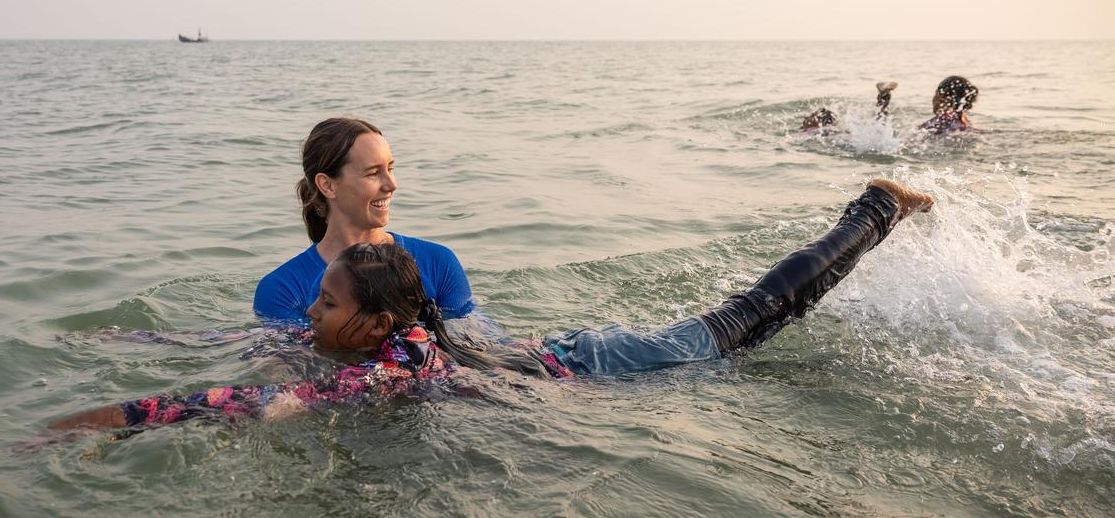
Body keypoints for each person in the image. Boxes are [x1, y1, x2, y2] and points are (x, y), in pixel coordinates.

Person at [50, 178, 934, 433]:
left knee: (747, 321)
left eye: (323, 305)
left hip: (608, 366)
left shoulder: (382, 376)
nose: (307, 317)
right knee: (744, 320)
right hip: (556, 356)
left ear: (377, 326)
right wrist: (136, 338)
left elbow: (245, 404)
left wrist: (100, 421)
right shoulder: (383, 339)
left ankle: (873, 212)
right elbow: (256, 359)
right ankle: (874, 214)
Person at [253, 118, 476, 322]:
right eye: (373, 173)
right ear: (327, 185)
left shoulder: (437, 262)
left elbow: (476, 340)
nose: (392, 184)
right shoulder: (282, 289)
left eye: (390, 168)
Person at [799, 81, 898, 134]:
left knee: (880, 126)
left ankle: (884, 100)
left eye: (811, 116)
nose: (806, 118)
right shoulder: (838, 128)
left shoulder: (815, 130)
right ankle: (884, 99)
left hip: (853, 141)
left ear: (818, 121)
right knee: (880, 125)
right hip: (859, 137)